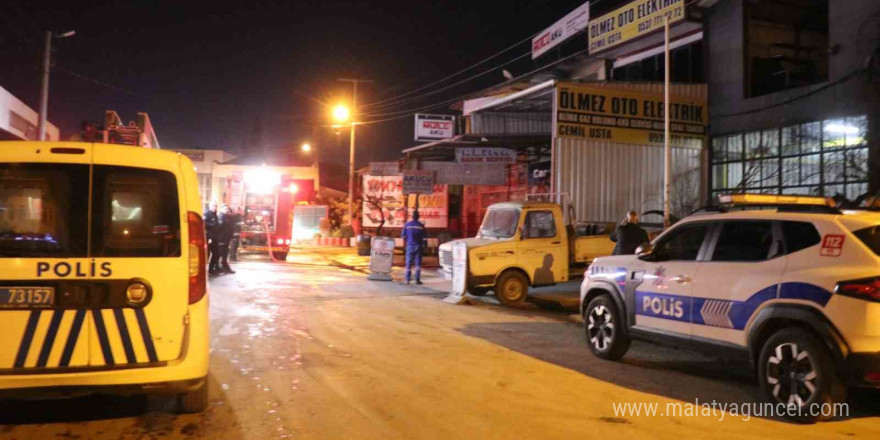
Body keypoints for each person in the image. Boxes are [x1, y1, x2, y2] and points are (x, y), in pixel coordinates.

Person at [401, 211, 426, 285]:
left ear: (412, 216)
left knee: (408, 263)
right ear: (418, 217)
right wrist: (424, 246)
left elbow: (403, 236)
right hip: (418, 246)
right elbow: (424, 239)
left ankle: (407, 280)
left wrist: (407, 244)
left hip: (410, 246)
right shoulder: (421, 226)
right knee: (418, 264)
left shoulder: (407, 225)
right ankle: (417, 280)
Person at [217, 204, 236, 274]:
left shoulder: (226, 217)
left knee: (224, 253)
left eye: (227, 209)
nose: (226, 210)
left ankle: (223, 267)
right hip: (222, 238)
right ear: (221, 209)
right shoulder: (221, 217)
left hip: (226, 238)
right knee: (222, 253)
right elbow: (220, 228)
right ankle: (222, 267)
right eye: (225, 209)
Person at [205, 201, 220, 275]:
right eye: (213, 206)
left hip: (215, 238)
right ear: (210, 206)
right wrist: (212, 225)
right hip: (209, 238)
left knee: (217, 253)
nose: (215, 207)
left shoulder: (215, 215)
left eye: (216, 206)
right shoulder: (207, 213)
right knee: (207, 255)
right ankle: (205, 270)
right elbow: (204, 223)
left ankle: (211, 268)